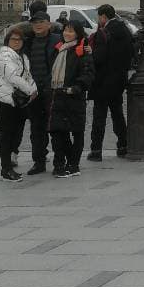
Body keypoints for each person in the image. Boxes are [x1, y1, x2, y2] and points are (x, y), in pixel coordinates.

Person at [48, 20, 95, 178]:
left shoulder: (83, 50)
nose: (67, 33)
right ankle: (59, 163)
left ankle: (74, 164)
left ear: (78, 33)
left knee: (76, 132)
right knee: (57, 132)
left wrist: (78, 87)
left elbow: (88, 73)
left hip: (74, 98)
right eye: (65, 30)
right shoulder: (58, 49)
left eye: (71, 31)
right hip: (57, 96)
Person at [0, 26, 36, 181]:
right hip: (5, 100)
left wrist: (34, 89)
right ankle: (5, 169)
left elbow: (28, 75)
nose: (16, 42)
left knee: (15, 133)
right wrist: (30, 90)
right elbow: (12, 76)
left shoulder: (22, 56)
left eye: (19, 39)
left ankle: (9, 163)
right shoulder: (5, 55)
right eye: (13, 39)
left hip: (17, 100)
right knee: (7, 134)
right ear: (7, 41)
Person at [87, 4, 134, 161]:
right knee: (117, 114)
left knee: (99, 117)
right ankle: (123, 145)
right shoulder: (126, 31)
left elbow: (99, 58)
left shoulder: (103, 33)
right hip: (119, 80)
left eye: (98, 17)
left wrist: (91, 53)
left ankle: (96, 151)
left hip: (103, 81)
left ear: (103, 17)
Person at [23, 12, 60, 175]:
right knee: (36, 129)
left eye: (41, 22)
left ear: (49, 24)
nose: (38, 25)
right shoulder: (27, 42)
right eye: (34, 22)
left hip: (52, 91)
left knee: (56, 128)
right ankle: (39, 161)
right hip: (33, 92)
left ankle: (60, 161)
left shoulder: (58, 40)